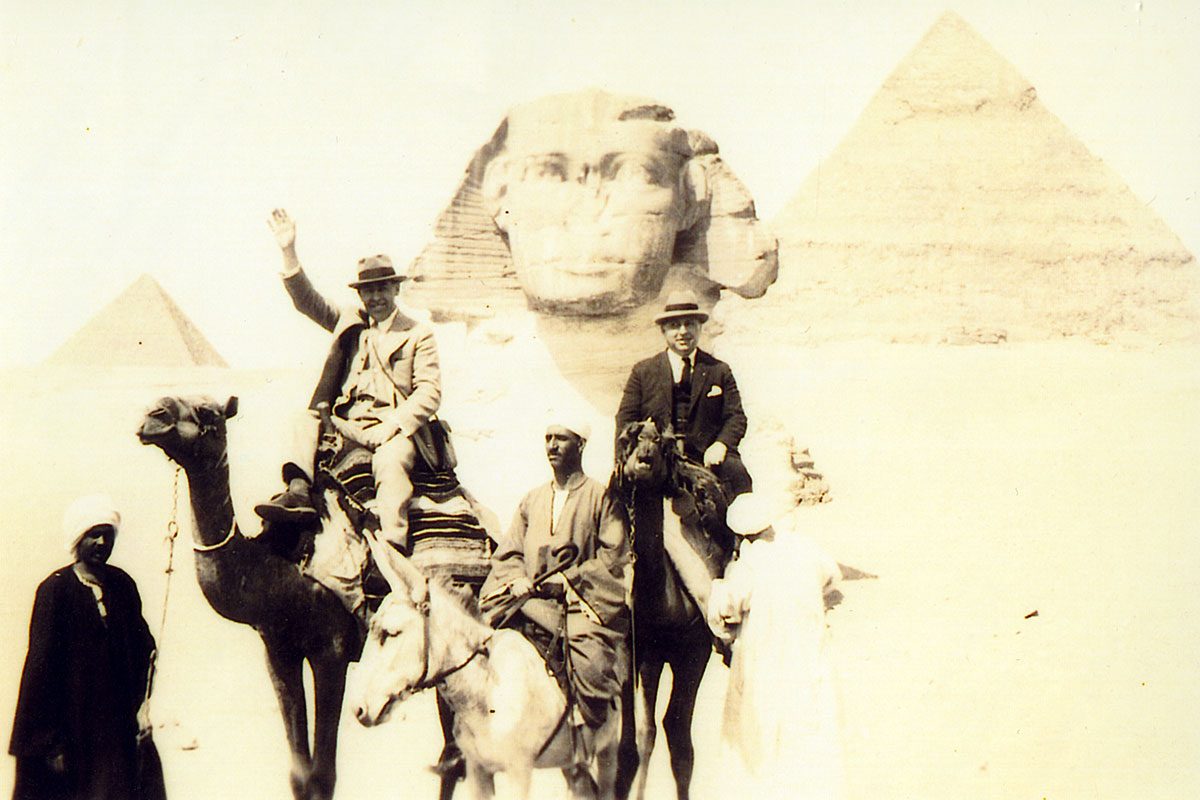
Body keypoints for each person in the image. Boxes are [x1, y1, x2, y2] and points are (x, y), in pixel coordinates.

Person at [255, 208, 442, 587]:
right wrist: (289, 252)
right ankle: (298, 492)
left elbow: (430, 391)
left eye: (381, 289)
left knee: (391, 464)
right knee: (299, 421)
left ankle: (389, 551)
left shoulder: (418, 334)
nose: (374, 297)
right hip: (345, 423)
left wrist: (393, 426)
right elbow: (308, 301)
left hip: (393, 430)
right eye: (367, 290)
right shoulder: (351, 322)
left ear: (395, 289)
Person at [479, 416, 631, 758]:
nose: (552, 445)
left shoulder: (601, 498)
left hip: (577, 606)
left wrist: (568, 582)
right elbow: (510, 551)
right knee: (475, 646)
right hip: (525, 601)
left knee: (592, 662)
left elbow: (614, 557)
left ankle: (588, 736)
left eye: (561, 439)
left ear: (581, 445)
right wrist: (517, 578)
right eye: (548, 437)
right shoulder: (531, 499)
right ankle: (470, 740)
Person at [9, 494, 159, 800]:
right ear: (78, 537)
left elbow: (143, 649)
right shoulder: (55, 590)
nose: (102, 542)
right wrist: (49, 744)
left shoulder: (122, 585)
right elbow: (40, 671)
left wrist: (142, 704)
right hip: (71, 733)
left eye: (108, 535)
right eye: (94, 534)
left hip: (115, 732)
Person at [708, 491, 843, 799]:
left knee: (762, 732)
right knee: (809, 725)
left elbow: (725, 610)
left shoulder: (748, 565)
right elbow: (833, 580)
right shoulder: (805, 548)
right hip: (809, 653)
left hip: (765, 659)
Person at [615, 289, 752, 499]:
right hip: (657, 456)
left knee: (738, 475)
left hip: (706, 455)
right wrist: (629, 457)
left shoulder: (718, 370)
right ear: (663, 331)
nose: (683, 331)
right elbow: (625, 419)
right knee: (619, 492)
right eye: (674, 326)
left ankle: (744, 531)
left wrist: (720, 445)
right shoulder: (644, 371)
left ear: (699, 328)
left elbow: (736, 417)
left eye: (690, 324)